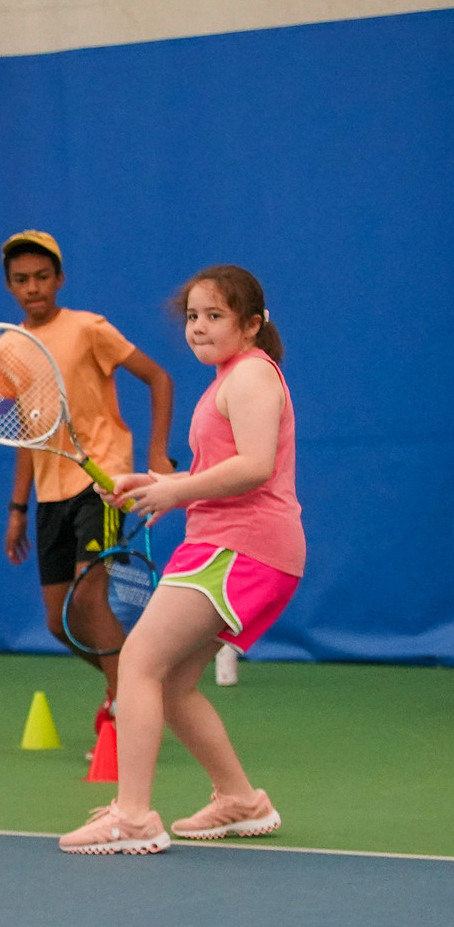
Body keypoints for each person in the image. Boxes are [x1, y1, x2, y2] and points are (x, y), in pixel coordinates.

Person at [59, 266, 297, 854]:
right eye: (193, 316)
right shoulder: (230, 379)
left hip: (239, 548)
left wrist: (176, 492)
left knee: (138, 659)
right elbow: (227, 468)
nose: (199, 327)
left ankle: (133, 817)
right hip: (238, 545)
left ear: (252, 325)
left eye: (215, 316)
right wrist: (154, 482)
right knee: (172, 685)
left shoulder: (249, 378)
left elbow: (256, 466)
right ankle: (241, 800)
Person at [0, 231, 175, 751]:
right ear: (10, 287)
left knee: (92, 597)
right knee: (59, 621)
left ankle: (127, 714)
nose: (34, 288)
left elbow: (158, 378)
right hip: (50, 495)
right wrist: (17, 507)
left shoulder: (89, 328)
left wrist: (157, 454)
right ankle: (135, 685)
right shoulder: (10, 347)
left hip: (104, 482)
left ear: (60, 279)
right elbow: (28, 434)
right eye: (22, 280)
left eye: (42, 277)